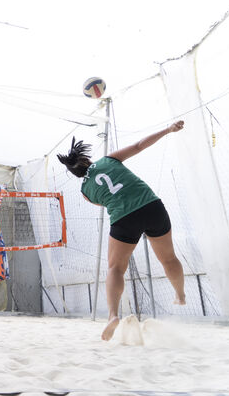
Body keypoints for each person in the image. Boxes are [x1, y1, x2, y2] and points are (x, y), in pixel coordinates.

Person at [57, 120, 187, 341]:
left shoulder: (85, 192)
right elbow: (138, 146)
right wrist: (167, 129)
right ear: (87, 159)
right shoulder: (108, 160)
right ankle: (180, 295)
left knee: (115, 268)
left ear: (76, 173)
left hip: (124, 217)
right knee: (168, 258)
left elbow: (105, 202)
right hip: (151, 206)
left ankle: (112, 315)